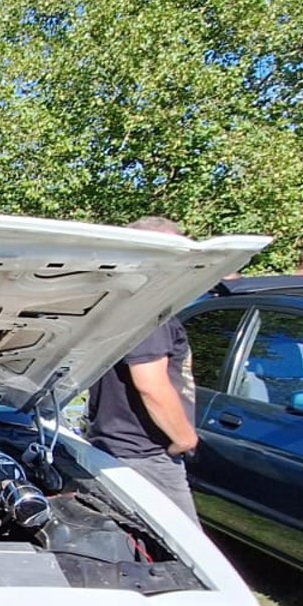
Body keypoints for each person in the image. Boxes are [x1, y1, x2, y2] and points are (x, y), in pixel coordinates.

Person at [84, 216, 202, 522]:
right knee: (182, 546)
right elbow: (150, 384)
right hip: (145, 453)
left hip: (118, 446)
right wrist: (185, 439)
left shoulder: (119, 305)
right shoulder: (150, 313)